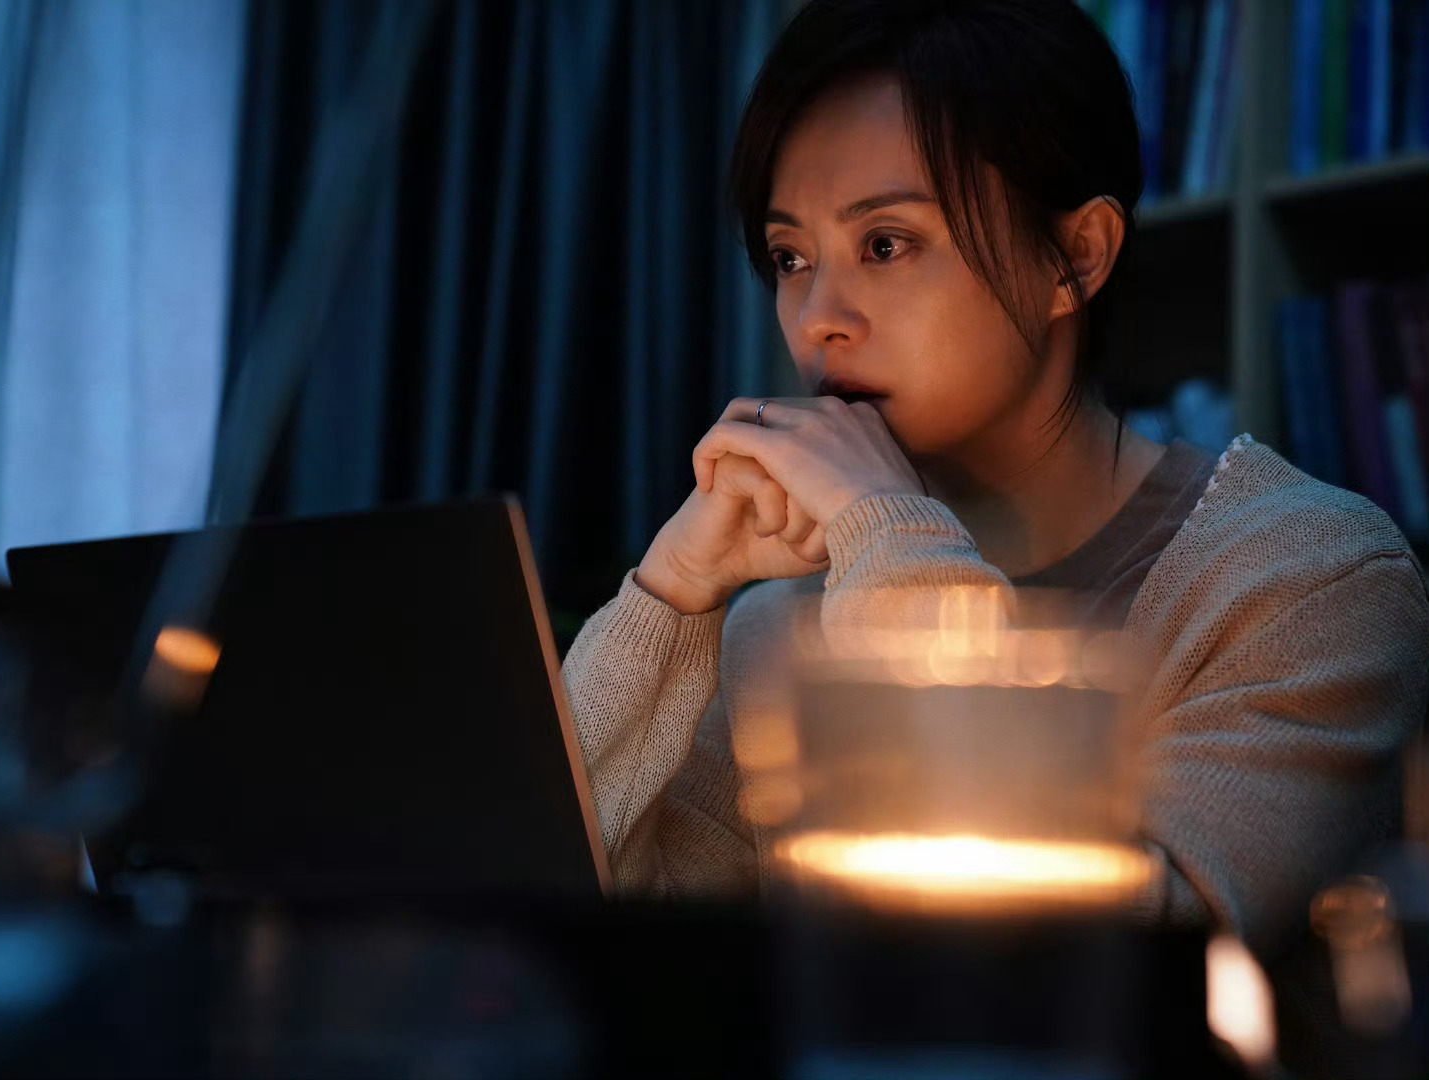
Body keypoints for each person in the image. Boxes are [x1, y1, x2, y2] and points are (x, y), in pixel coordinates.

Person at [561, 0, 1428, 1031]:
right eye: (791, 257)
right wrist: (669, 599)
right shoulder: (777, 622)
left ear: (1075, 256)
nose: (817, 318)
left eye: (885, 243)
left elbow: (1095, 974)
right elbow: (616, 957)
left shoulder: (1309, 580)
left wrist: (890, 535)